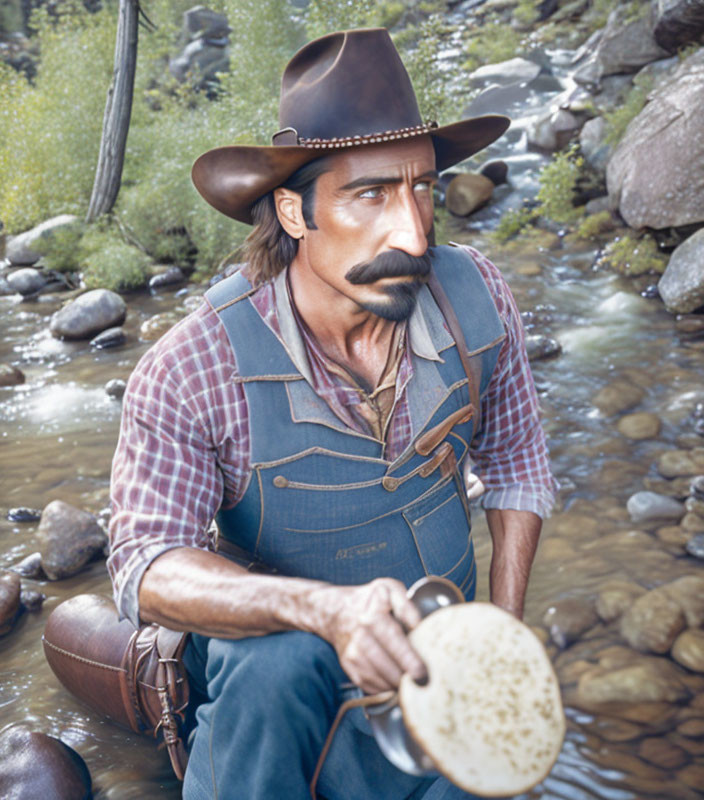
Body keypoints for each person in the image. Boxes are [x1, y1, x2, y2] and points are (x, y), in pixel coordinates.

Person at [107, 27, 555, 800]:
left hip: (436, 668)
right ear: (292, 212)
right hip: (278, 688)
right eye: (371, 194)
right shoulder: (192, 367)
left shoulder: (477, 296)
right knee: (274, 665)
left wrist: (501, 639)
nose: (414, 232)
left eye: (421, 188)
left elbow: (516, 464)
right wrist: (323, 610)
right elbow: (146, 564)